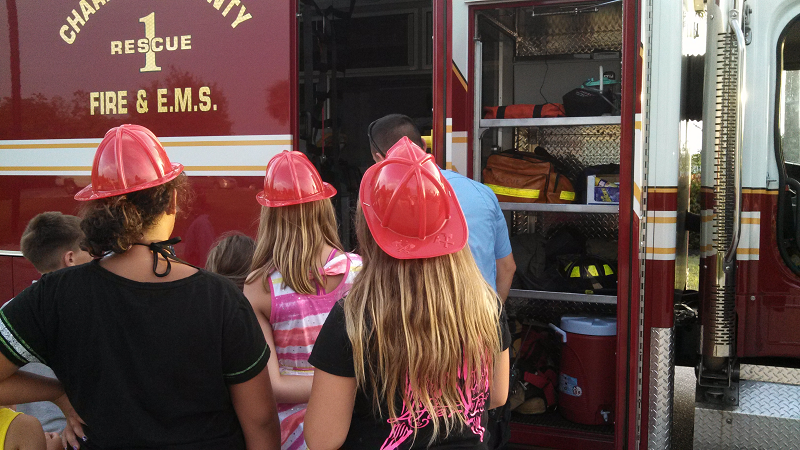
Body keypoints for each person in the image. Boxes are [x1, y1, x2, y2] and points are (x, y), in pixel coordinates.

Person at [0, 124, 280, 450]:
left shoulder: (53, 296)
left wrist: (59, 391)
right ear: (173, 200)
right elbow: (260, 421)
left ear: (98, 209)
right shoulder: (220, 299)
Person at [305, 137, 510, 449]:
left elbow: (322, 439)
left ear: (370, 232)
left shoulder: (353, 320)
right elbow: (497, 395)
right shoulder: (486, 306)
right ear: (450, 227)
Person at [244, 151, 362, 450]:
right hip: (356, 425)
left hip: (294, 438)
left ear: (270, 215)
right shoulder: (361, 272)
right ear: (323, 207)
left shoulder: (260, 286)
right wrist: (345, 387)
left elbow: (273, 387)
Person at [367, 114, 516, 301]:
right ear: (423, 144)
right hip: (481, 322)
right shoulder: (482, 192)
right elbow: (507, 267)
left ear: (379, 158)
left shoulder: (378, 206)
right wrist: (492, 320)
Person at [18, 212, 93, 434]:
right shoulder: (85, 311)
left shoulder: (13, 311)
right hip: (77, 434)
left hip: (34, 436)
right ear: (70, 259)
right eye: (90, 252)